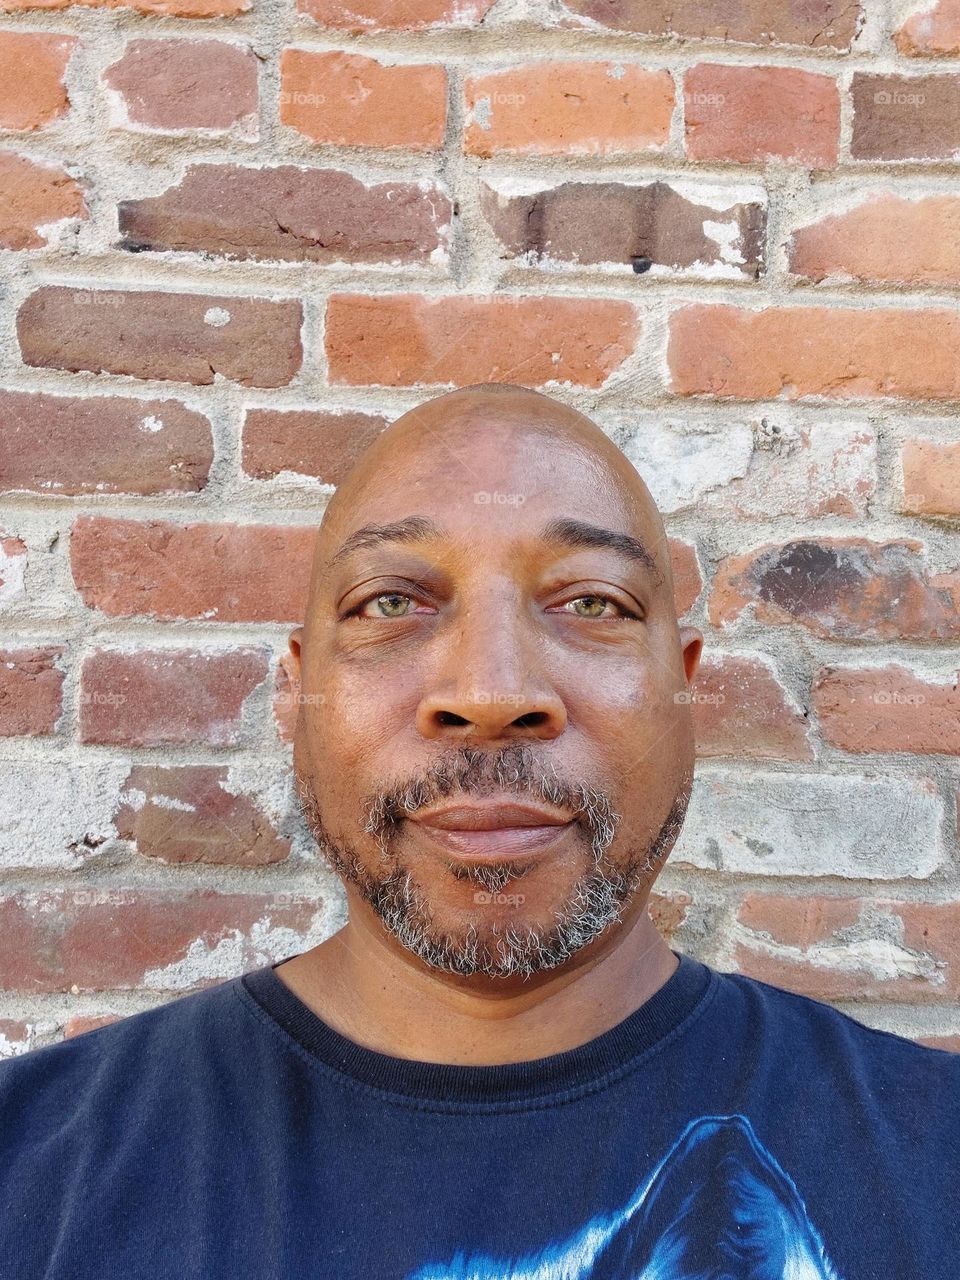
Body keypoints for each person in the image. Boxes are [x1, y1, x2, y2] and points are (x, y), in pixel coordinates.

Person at [1, 384, 956, 1280]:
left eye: (591, 603)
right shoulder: (28, 1174)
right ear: (298, 693)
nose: (492, 694)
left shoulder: (937, 1158)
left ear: (684, 688)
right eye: (391, 604)